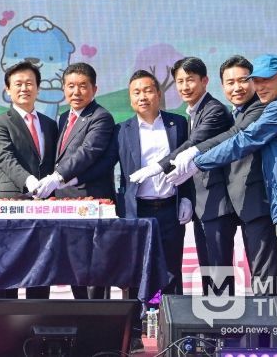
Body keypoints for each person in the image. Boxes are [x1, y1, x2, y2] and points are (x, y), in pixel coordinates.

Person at [169, 54, 277, 349]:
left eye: (267, 80)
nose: (260, 86)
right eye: (256, 81)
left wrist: (197, 161)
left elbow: (243, 141)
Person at [169, 56, 277, 295]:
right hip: (240, 203)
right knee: (231, 278)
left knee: (264, 277)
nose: (237, 87)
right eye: (230, 82)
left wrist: (189, 159)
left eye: (242, 80)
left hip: (257, 203)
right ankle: (234, 320)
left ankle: (271, 320)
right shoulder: (234, 111)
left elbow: (235, 137)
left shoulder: (258, 109)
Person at [130, 57, 233, 288]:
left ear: (204, 81)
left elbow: (193, 144)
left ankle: (221, 313)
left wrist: (158, 167)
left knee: (217, 272)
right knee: (208, 271)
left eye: (190, 80)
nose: (185, 86)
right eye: (180, 81)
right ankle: (207, 313)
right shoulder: (193, 113)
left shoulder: (214, 110)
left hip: (216, 204)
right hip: (202, 206)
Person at [116, 70, 195, 352]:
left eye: (148, 90)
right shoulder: (122, 130)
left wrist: (187, 198)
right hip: (138, 212)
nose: (143, 97)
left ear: (159, 94)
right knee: (135, 272)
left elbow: (189, 164)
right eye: (136, 92)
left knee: (171, 269)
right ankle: (134, 333)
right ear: (130, 98)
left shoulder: (178, 124)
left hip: (169, 209)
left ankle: (174, 331)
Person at [0, 61, 58, 300]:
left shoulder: (49, 124)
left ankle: (39, 319)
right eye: (18, 84)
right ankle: (4, 322)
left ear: (38, 88)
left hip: (44, 205)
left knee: (41, 266)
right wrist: (28, 180)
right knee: (9, 267)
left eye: (29, 83)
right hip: (12, 202)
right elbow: (4, 158)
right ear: (8, 90)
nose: (24, 88)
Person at [48, 62, 117, 299]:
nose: (76, 92)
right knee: (72, 265)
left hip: (91, 202)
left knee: (95, 265)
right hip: (65, 204)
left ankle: (98, 315)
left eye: (83, 86)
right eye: (71, 86)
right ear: (63, 88)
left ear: (94, 89)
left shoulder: (101, 117)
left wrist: (58, 177)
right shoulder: (63, 118)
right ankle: (81, 312)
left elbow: (87, 152)